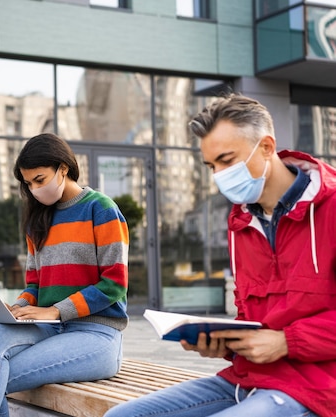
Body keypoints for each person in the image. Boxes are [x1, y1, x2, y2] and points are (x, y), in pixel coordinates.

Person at [104, 94, 336, 417]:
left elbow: (284, 334)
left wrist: (287, 342)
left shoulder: (331, 208)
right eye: (212, 165)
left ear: (267, 147)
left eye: (227, 160)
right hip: (245, 379)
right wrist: (223, 344)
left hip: (315, 390)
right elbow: (252, 318)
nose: (219, 175)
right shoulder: (240, 223)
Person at [0, 133, 130, 417]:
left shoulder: (100, 209)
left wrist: (56, 311)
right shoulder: (37, 221)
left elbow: (115, 284)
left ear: (63, 169)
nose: (33, 189)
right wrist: (19, 306)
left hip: (96, 334)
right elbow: (35, 284)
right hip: (51, 330)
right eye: (28, 184)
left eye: (39, 180)